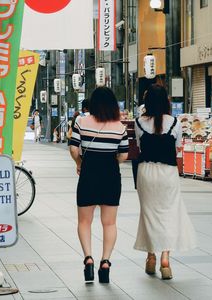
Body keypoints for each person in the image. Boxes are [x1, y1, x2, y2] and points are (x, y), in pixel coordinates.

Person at [134, 84, 196, 280]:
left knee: (148, 214)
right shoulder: (175, 122)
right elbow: (177, 149)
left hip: (146, 172)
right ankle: (165, 260)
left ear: (147, 102)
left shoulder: (139, 122)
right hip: (168, 173)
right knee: (169, 214)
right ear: (165, 101)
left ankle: (150, 257)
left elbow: (139, 145)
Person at [69, 87, 129, 284]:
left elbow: (74, 148)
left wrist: (79, 164)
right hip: (111, 176)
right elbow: (124, 155)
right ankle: (105, 262)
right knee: (109, 223)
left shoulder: (81, 122)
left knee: (85, 221)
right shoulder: (120, 127)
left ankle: (88, 258)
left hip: (88, 175)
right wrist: (113, 163)